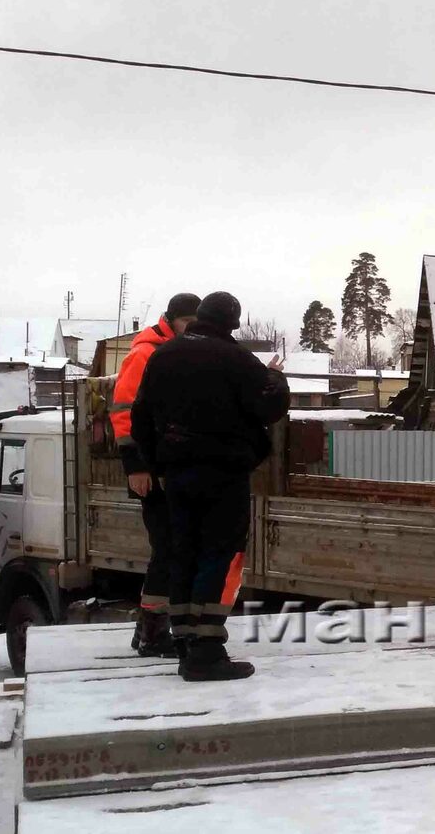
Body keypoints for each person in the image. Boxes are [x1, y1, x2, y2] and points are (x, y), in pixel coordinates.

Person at [131, 292, 289, 681]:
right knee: (220, 557)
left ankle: (184, 640)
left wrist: (156, 463)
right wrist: (276, 377)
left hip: (177, 476)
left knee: (183, 553)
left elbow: (140, 417)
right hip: (224, 476)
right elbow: (270, 406)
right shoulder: (236, 359)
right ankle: (206, 650)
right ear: (231, 323)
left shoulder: (163, 356)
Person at [112, 292, 202, 658]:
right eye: (189, 323)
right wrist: (135, 466)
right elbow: (122, 411)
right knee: (167, 548)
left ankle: (150, 630)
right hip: (150, 470)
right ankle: (152, 631)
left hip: (173, 470)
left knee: (177, 548)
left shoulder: (178, 351)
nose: (194, 330)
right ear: (172, 320)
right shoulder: (146, 354)